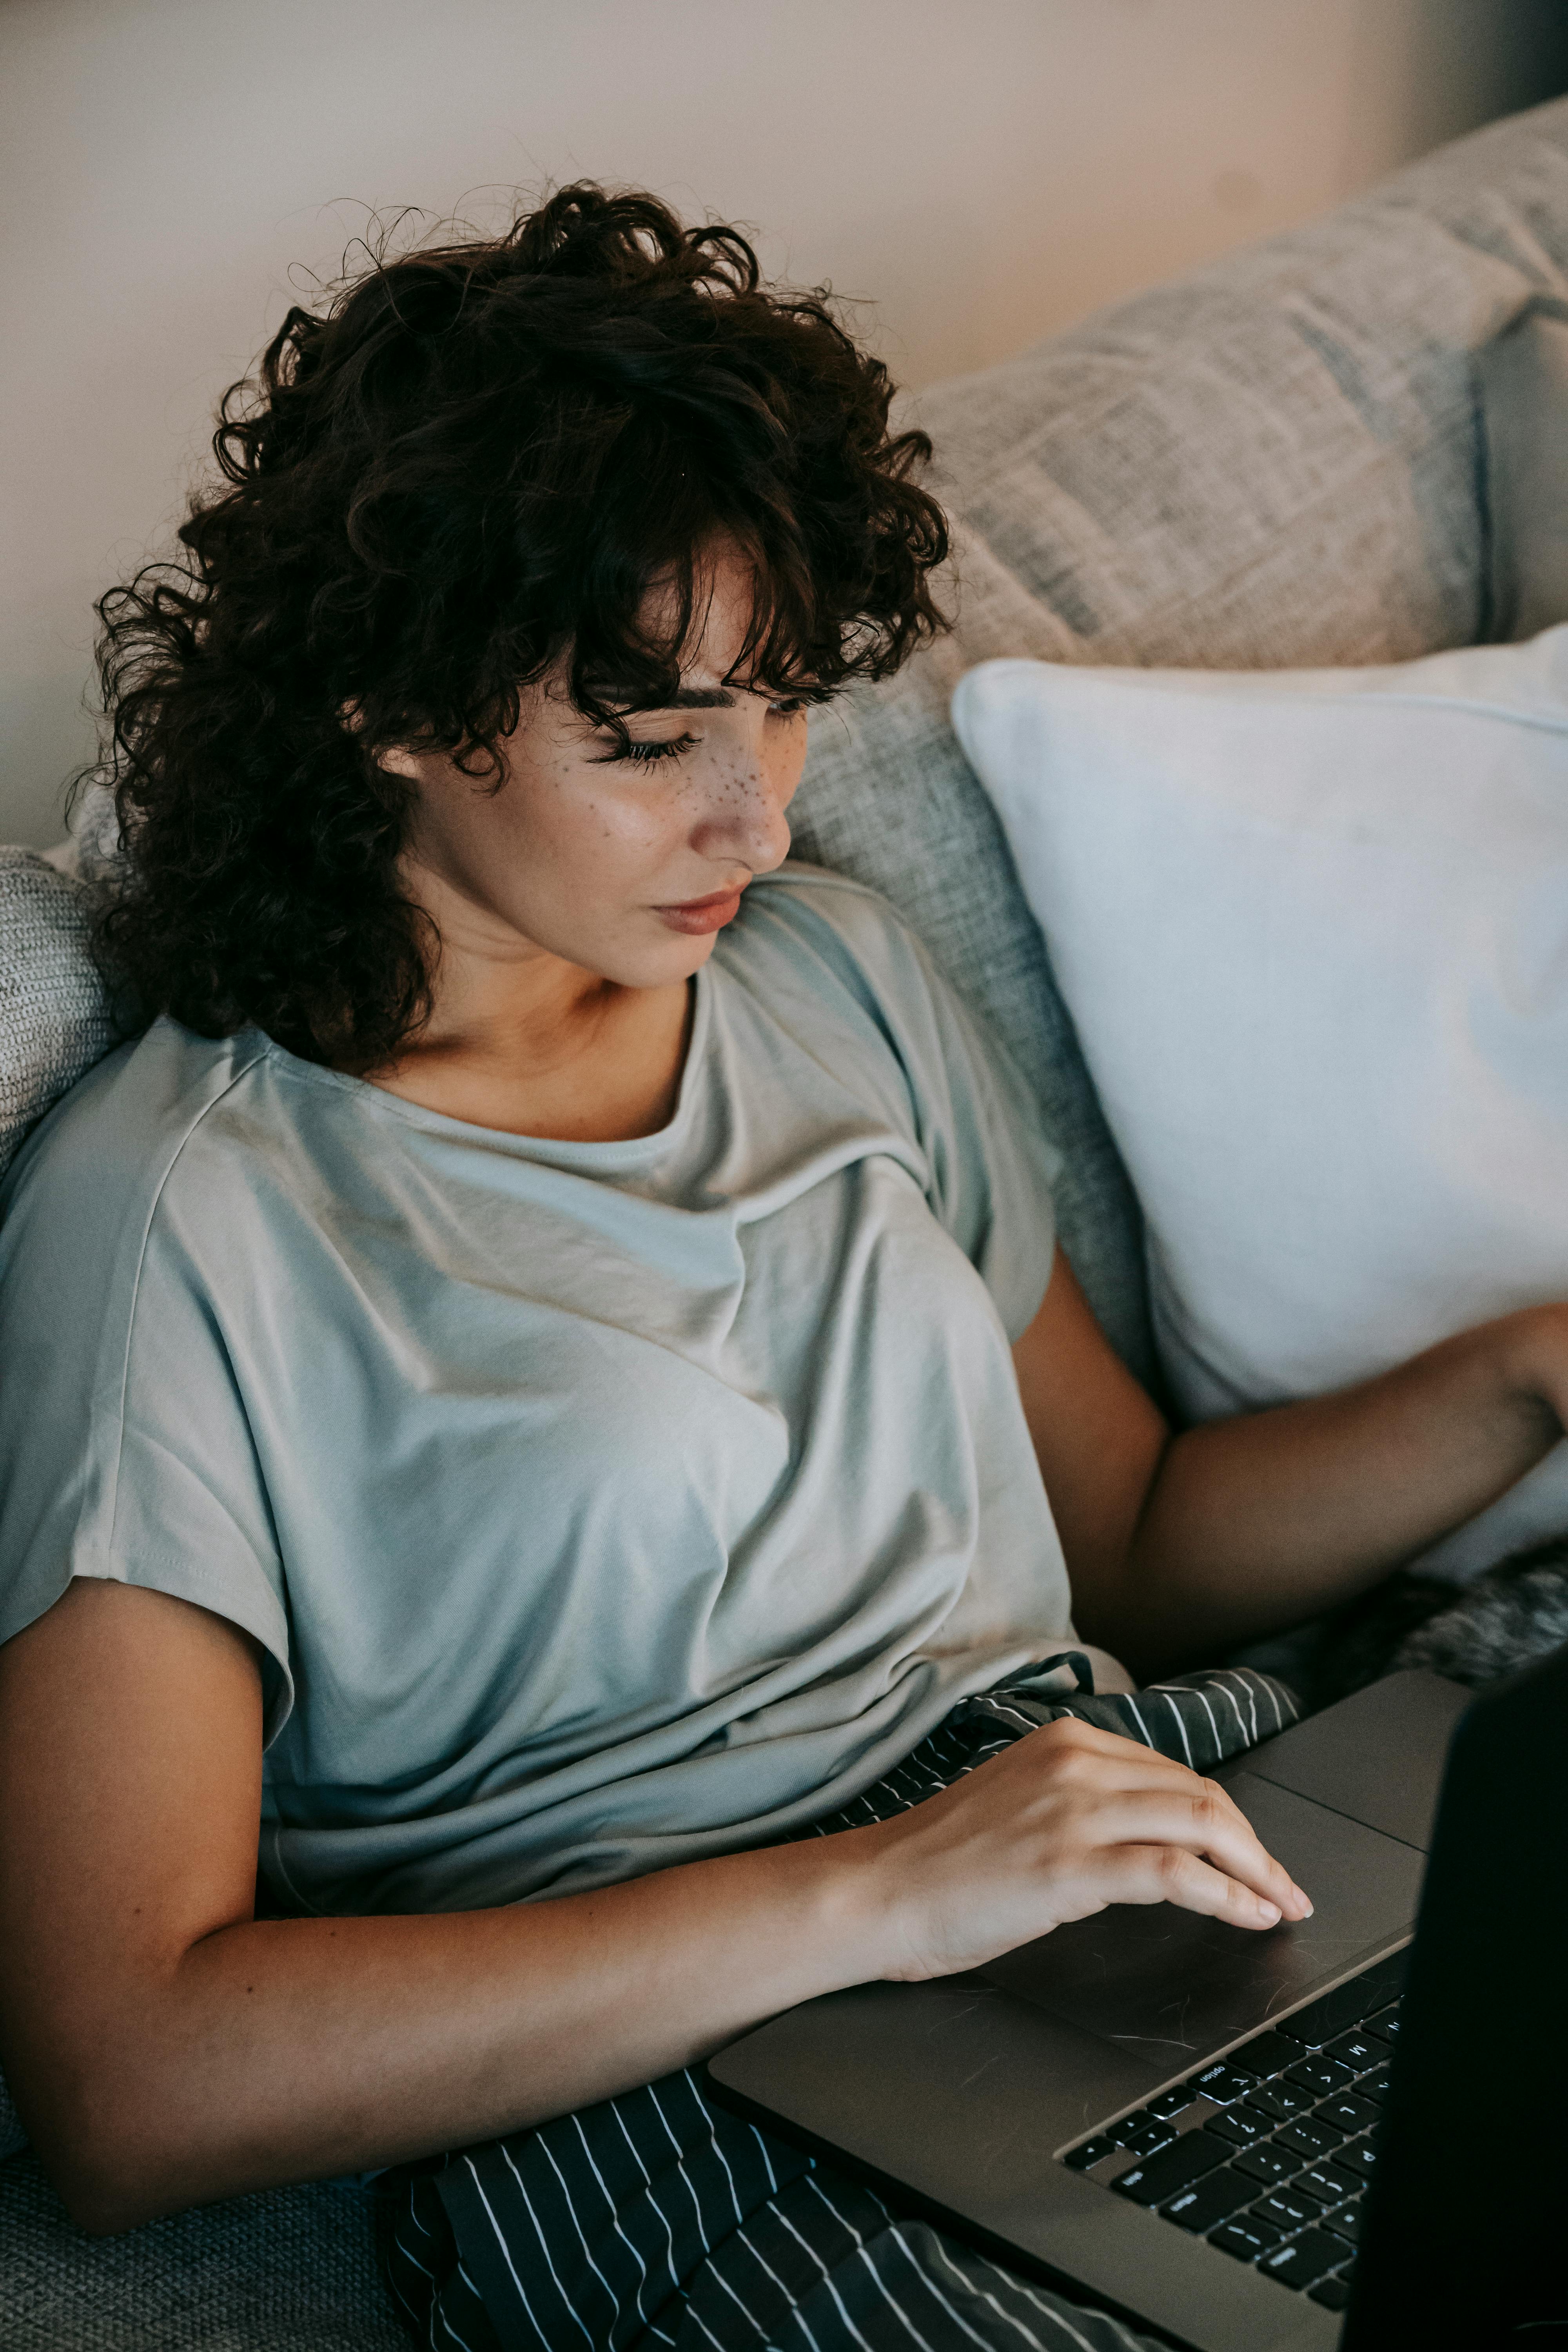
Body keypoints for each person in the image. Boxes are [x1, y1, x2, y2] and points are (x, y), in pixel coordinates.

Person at [1, 187, 1564, 2352]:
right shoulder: (185, 1215)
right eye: (649, 742)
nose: (756, 818)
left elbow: (1131, 1543)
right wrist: (879, 1899)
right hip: (680, 2099)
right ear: (382, 702)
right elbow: (130, 2080)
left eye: (787, 705)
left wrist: (1535, 1375)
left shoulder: (837, 975)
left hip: (1134, 1860)